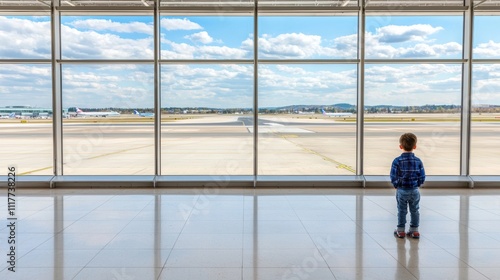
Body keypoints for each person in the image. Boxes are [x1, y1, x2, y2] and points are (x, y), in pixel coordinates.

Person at [390, 132, 426, 239]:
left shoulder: (397, 161)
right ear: (415, 146)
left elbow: (393, 176)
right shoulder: (418, 161)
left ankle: (401, 230)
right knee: (415, 210)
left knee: (401, 210)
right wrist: (418, 184)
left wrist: (396, 185)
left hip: (402, 190)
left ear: (400, 146)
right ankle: (414, 230)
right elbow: (422, 176)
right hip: (414, 190)